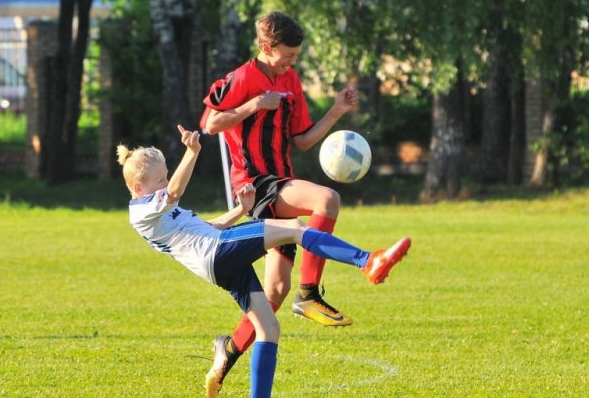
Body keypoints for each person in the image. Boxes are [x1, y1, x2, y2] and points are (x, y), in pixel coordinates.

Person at [119, 125, 411, 398]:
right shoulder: (142, 210)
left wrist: (240, 209)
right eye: (159, 179)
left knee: (269, 329)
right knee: (295, 229)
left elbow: (208, 226)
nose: (166, 182)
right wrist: (192, 152)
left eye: (166, 175)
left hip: (216, 260)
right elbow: (174, 192)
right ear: (138, 188)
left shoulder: (159, 209)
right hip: (217, 252)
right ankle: (368, 261)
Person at [199, 11, 375, 391]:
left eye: (296, 56)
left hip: (281, 181)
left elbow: (303, 141)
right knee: (326, 199)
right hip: (256, 183)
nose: (292, 62)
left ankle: (227, 349)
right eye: (287, 55)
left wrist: (337, 110)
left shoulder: (290, 79)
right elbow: (211, 124)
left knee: (273, 292)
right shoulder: (243, 77)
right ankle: (309, 295)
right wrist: (253, 106)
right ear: (266, 47)